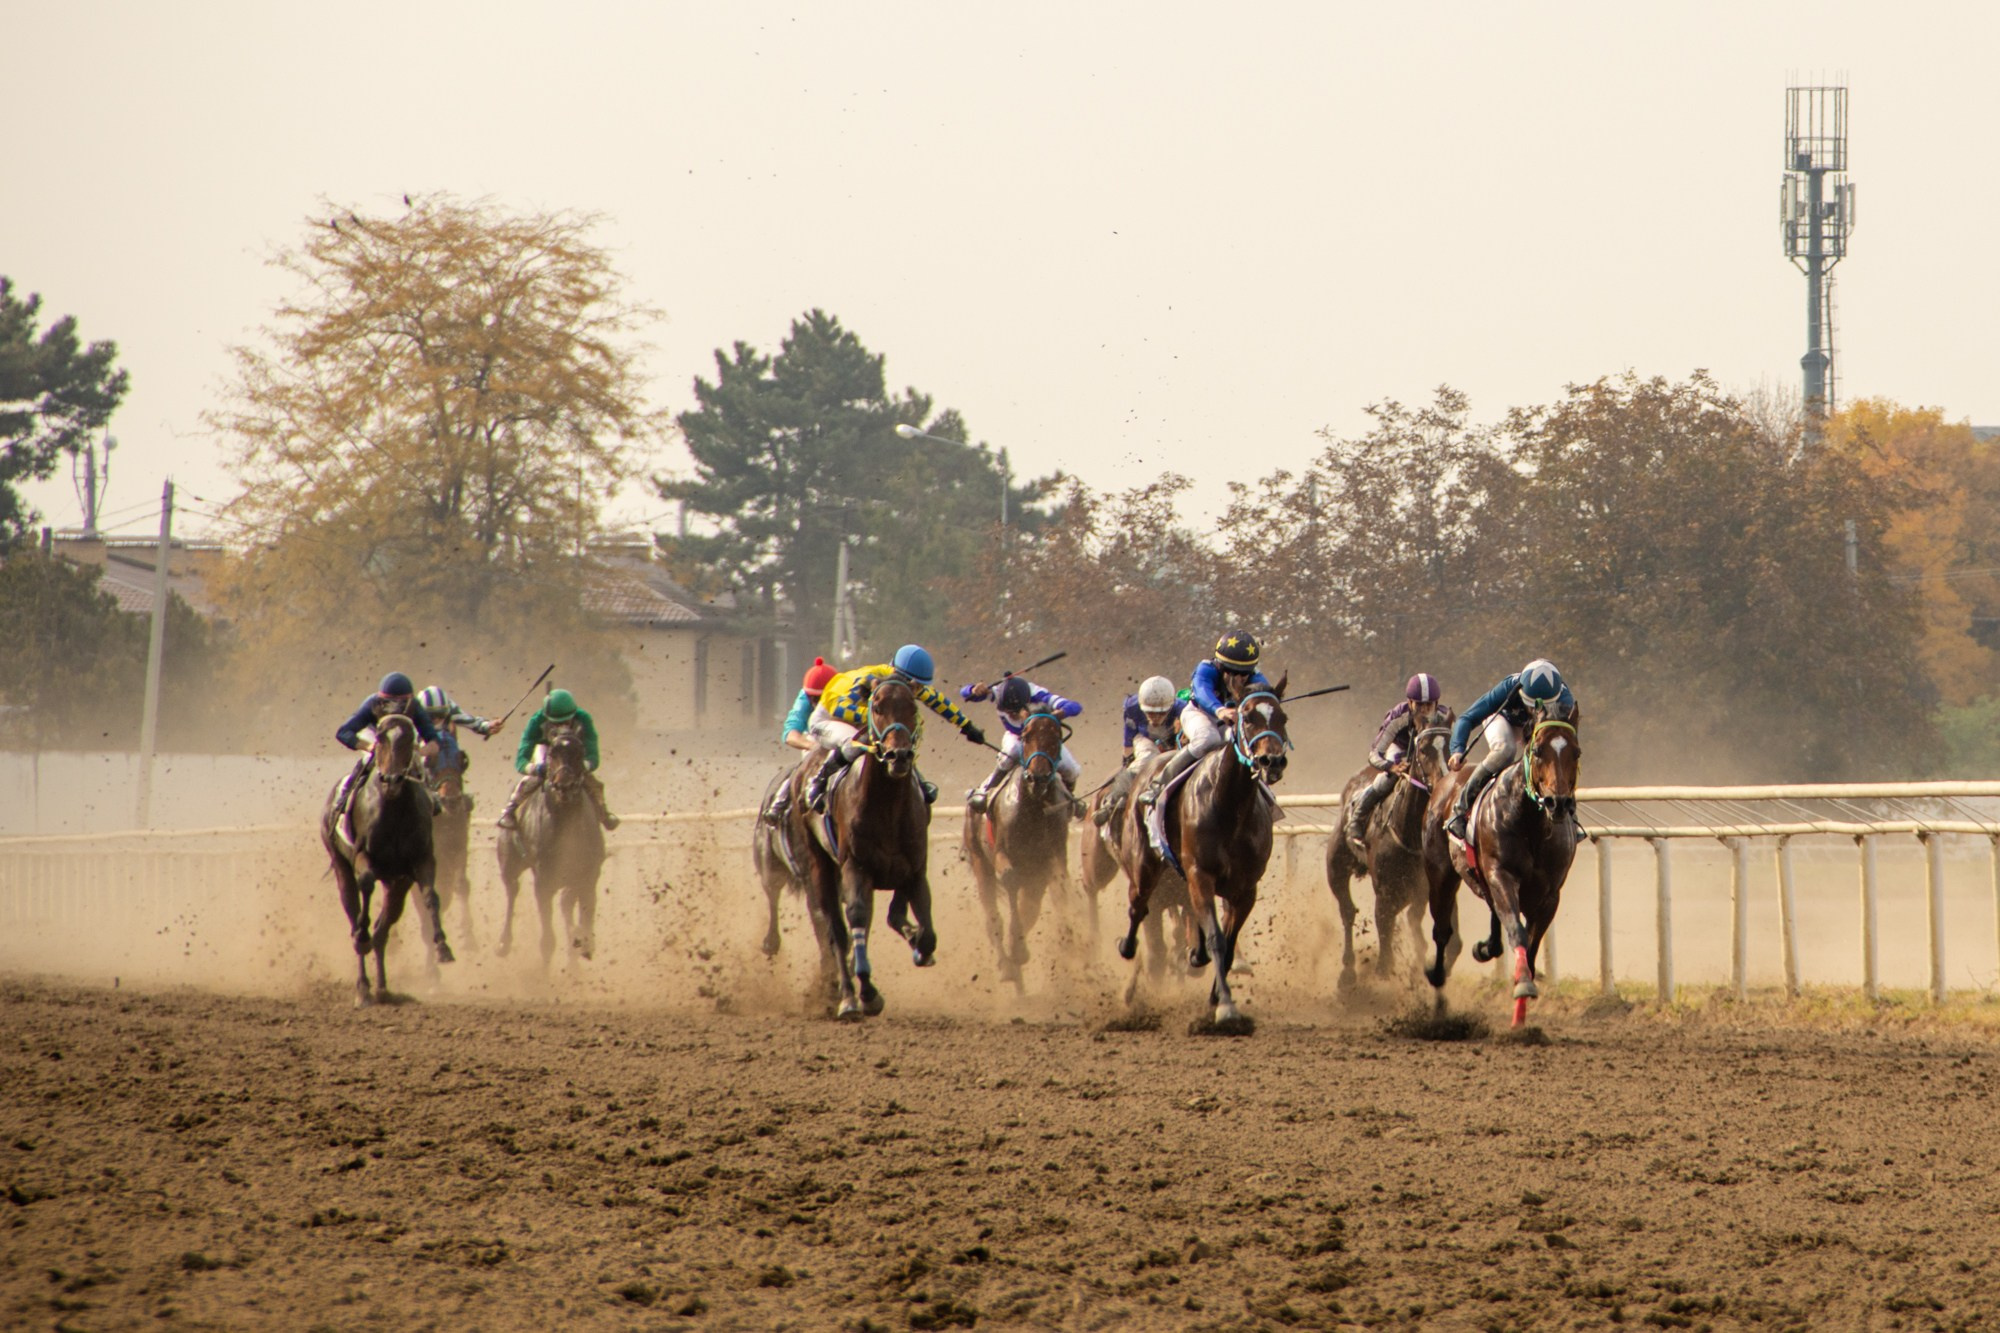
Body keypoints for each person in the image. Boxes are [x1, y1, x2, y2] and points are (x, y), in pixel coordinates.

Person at [804, 643, 986, 810]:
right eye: (915, 684)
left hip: (863, 716)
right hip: (828, 719)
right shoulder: (867, 680)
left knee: (906, 731)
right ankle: (818, 781)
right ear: (903, 676)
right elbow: (839, 708)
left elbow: (937, 701)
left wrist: (966, 726)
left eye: (919, 685)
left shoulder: (904, 682)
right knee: (855, 740)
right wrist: (877, 718)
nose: (917, 689)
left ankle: (915, 776)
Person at [1443, 658, 1577, 842]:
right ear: (1522, 692)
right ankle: (1460, 809)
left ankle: (1571, 814)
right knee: (1506, 750)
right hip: (1505, 722)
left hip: (1540, 731)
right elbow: (1467, 717)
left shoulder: (1564, 700)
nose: (1536, 710)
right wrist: (1457, 749)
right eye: (1531, 705)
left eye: (1542, 707)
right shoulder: (1509, 687)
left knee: (1557, 755)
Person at [1138, 630, 1272, 809]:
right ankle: (1159, 784)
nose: (1239, 678)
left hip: (1230, 721)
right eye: (1233, 672)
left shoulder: (1256, 678)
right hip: (1199, 713)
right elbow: (1202, 692)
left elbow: (1266, 697)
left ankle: (1263, 794)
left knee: (1245, 743)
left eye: (1244, 674)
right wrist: (1220, 710)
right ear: (1221, 666)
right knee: (1208, 739)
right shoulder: (1206, 669)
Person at [1344, 673, 1453, 847]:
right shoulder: (1398, 716)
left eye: (1428, 705)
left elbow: (1450, 746)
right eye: (1419, 705)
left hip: (1429, 754)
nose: (1424, 710)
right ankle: (1357, 817)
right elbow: (1375, 754)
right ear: (1410, 703)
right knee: (1386, 781)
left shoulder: (1444, 717)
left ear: (1436, 704)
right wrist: (1391, 767)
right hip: (1402, 751)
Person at [494, 688, 619, 832]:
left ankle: (603, 812)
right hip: (547, 750)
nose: (562, 726)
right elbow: (521, 760)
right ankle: (510, 810)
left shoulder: (583, 719)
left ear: (574, 714)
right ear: (547, 717)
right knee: (531, 779)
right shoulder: (536, 721)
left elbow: (593, 755)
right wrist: (535, 768)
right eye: (556, 723)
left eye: (566, 721)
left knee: (592, 781)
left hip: (572, 752)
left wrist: (583, 766)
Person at [961, 674, 1084, 816]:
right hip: (1016, 737)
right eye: (1007, 711)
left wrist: (1056, 715)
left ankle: (1070, 801)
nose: (1011, 716)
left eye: (1015, 712)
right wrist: (973, 690)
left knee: (1072, 769)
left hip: (1042, 741)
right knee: (1009, 755)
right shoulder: (999, 692)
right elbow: (964, 693)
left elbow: (1075, 707)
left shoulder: (1038, 695)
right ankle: (984, 791)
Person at [332, 672, 442, 825]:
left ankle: (432, 796)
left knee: (417, 763)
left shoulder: (415, 706)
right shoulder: (372, 703)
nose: (396, 708)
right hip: (376, 734)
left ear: (409, 700)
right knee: (366, 761)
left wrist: (419, 751)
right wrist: (369, 746)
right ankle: (344, 797)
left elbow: (434, 741)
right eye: (390, 703)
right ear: (381, 700)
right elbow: (343, 732)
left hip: (402, 736)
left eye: (401, 704)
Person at [1094, 675, 1185, 827]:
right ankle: (1111, 803)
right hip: (1145, 738)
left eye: (1161, 713)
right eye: (1150, 713)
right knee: (1148, 756)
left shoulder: (1182, 709)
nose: (1155, 718)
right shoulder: (1132, 707)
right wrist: (1127, 762)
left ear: (1171, 706)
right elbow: (1128, 738)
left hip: (1173, 740)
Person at [762, 656, 841, 825]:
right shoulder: (804, 699)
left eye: (821, 699)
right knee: (807, 762)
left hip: (843, 737)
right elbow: (791, 734)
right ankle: (780, 803)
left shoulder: (847, 693)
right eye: (812, 699)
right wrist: (811, 746)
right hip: (815, 739)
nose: (816, 704)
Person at [416, 684, 494, 790]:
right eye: (431, 716)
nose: (436, 719)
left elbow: (473, 722)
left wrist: (489, 726)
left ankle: (454, 791)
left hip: (442, 750)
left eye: (440, 715)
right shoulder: (412, 714)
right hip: (416, 750)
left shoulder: (449, 708)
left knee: (445, 739)